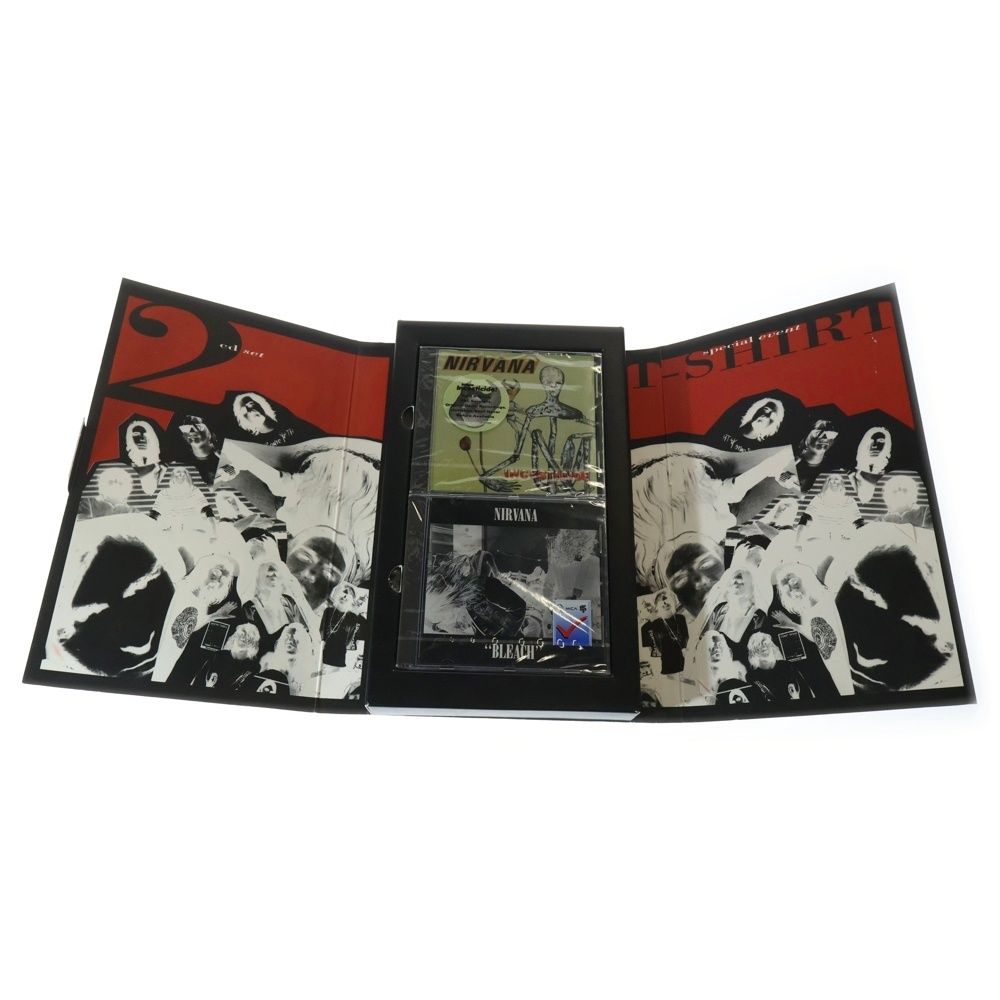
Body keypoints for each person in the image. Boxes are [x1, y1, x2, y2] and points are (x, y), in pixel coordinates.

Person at [241, 560, 307, 653]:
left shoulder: (288, 601)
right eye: (268, 575)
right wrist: (285, 630)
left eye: (276, 575)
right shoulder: (249, 607)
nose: (273, 578)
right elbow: (253, 644)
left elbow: (304, 631)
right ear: (259, 578)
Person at [639, 589, 688, 674]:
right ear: (657, 607)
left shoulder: (681, 618)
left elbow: (686, 638)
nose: (665, 603)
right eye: (661, 601)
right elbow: (649, 653)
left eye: (666, 598)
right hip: (666, 669)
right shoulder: (651, 626)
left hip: (685, 665)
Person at [121, 417, 167, 495]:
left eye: (146, 434)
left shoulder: (165, 469)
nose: (142, 439)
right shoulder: (123, 471)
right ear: (129, 438)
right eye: (136, 435)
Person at [850, 427, 892, 503]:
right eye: (871, 441)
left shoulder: (891, 479)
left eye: (880, 441)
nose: (874, 445)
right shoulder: (851, 477)